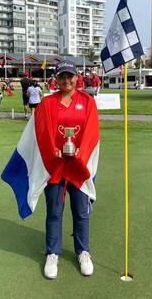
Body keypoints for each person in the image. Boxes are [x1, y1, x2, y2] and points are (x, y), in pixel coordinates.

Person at [36, 60, 100, 279]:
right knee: (54, 213)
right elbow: (42, 132)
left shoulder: (87, 101)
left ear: (76, 77)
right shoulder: (47, 103)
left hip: (79, 168)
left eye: (70, 76)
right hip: (55, 168)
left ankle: (83, 251)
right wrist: (53, 150)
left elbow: (92, 132)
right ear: (56, 79)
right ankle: (52, 253)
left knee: (81, 213)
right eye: (62, 77)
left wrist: (80, 153)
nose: (66, 81)